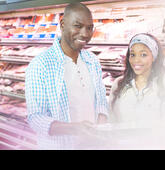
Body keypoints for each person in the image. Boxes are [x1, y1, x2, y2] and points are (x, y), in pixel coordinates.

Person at [25, 2, 108, 149]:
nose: (85, 34)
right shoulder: (41, 65)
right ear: (62, 24)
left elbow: (101, 101)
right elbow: (36, 118)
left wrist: (100, 129)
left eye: (89, 28)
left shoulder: (92, 60)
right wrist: (75, 128)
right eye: (78, 26)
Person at [108, 33, 165, 130]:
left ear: (153, 57)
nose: (136, 60)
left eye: (143, 55)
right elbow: (111, 122)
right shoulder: (118, 84)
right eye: (132, 54)